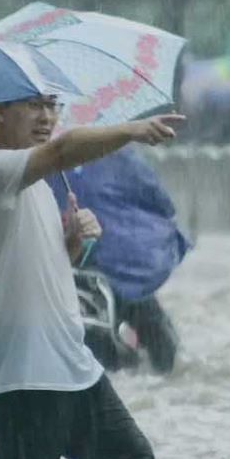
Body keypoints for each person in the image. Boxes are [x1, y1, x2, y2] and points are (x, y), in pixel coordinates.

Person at [0, 96, 184, 459]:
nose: (47, 118)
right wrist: (130, 130)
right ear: (0, 111)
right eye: (33, 107)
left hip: (71, 365)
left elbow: (37, 268)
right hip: (26, 373)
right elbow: (63, 151)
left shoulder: (37, 183)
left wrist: (72, 245)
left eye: (53, 106)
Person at [63, 148, 190, 373]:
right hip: (124, 272)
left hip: (72, 277)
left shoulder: (41, 163)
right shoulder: (120, 156)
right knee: (163, 348)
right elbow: (160, 202)